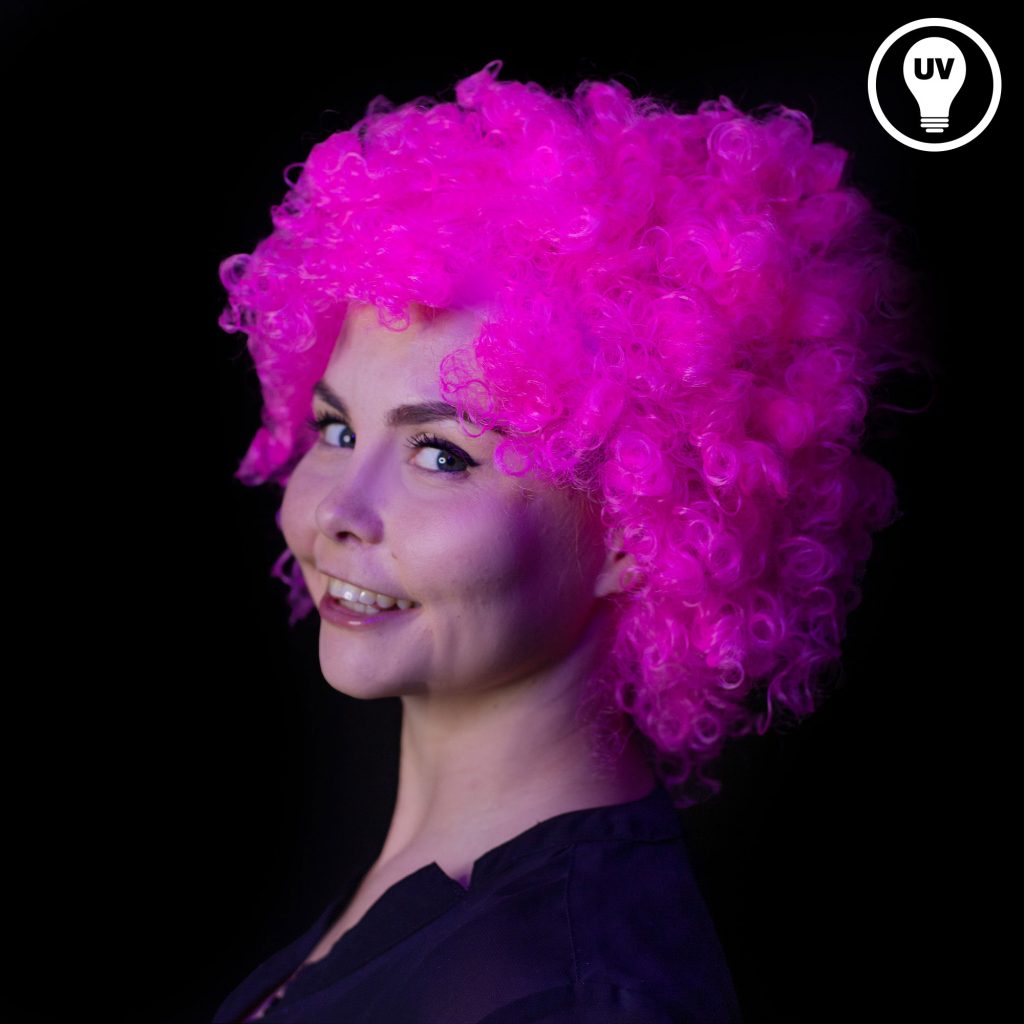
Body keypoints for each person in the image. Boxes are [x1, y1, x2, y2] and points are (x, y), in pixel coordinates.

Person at [210, 60, 928, 1024]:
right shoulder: (446, 893)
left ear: (635, 525)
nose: (340, 506)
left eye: (440, 454)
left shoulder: (574, 996)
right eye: (337, 430)